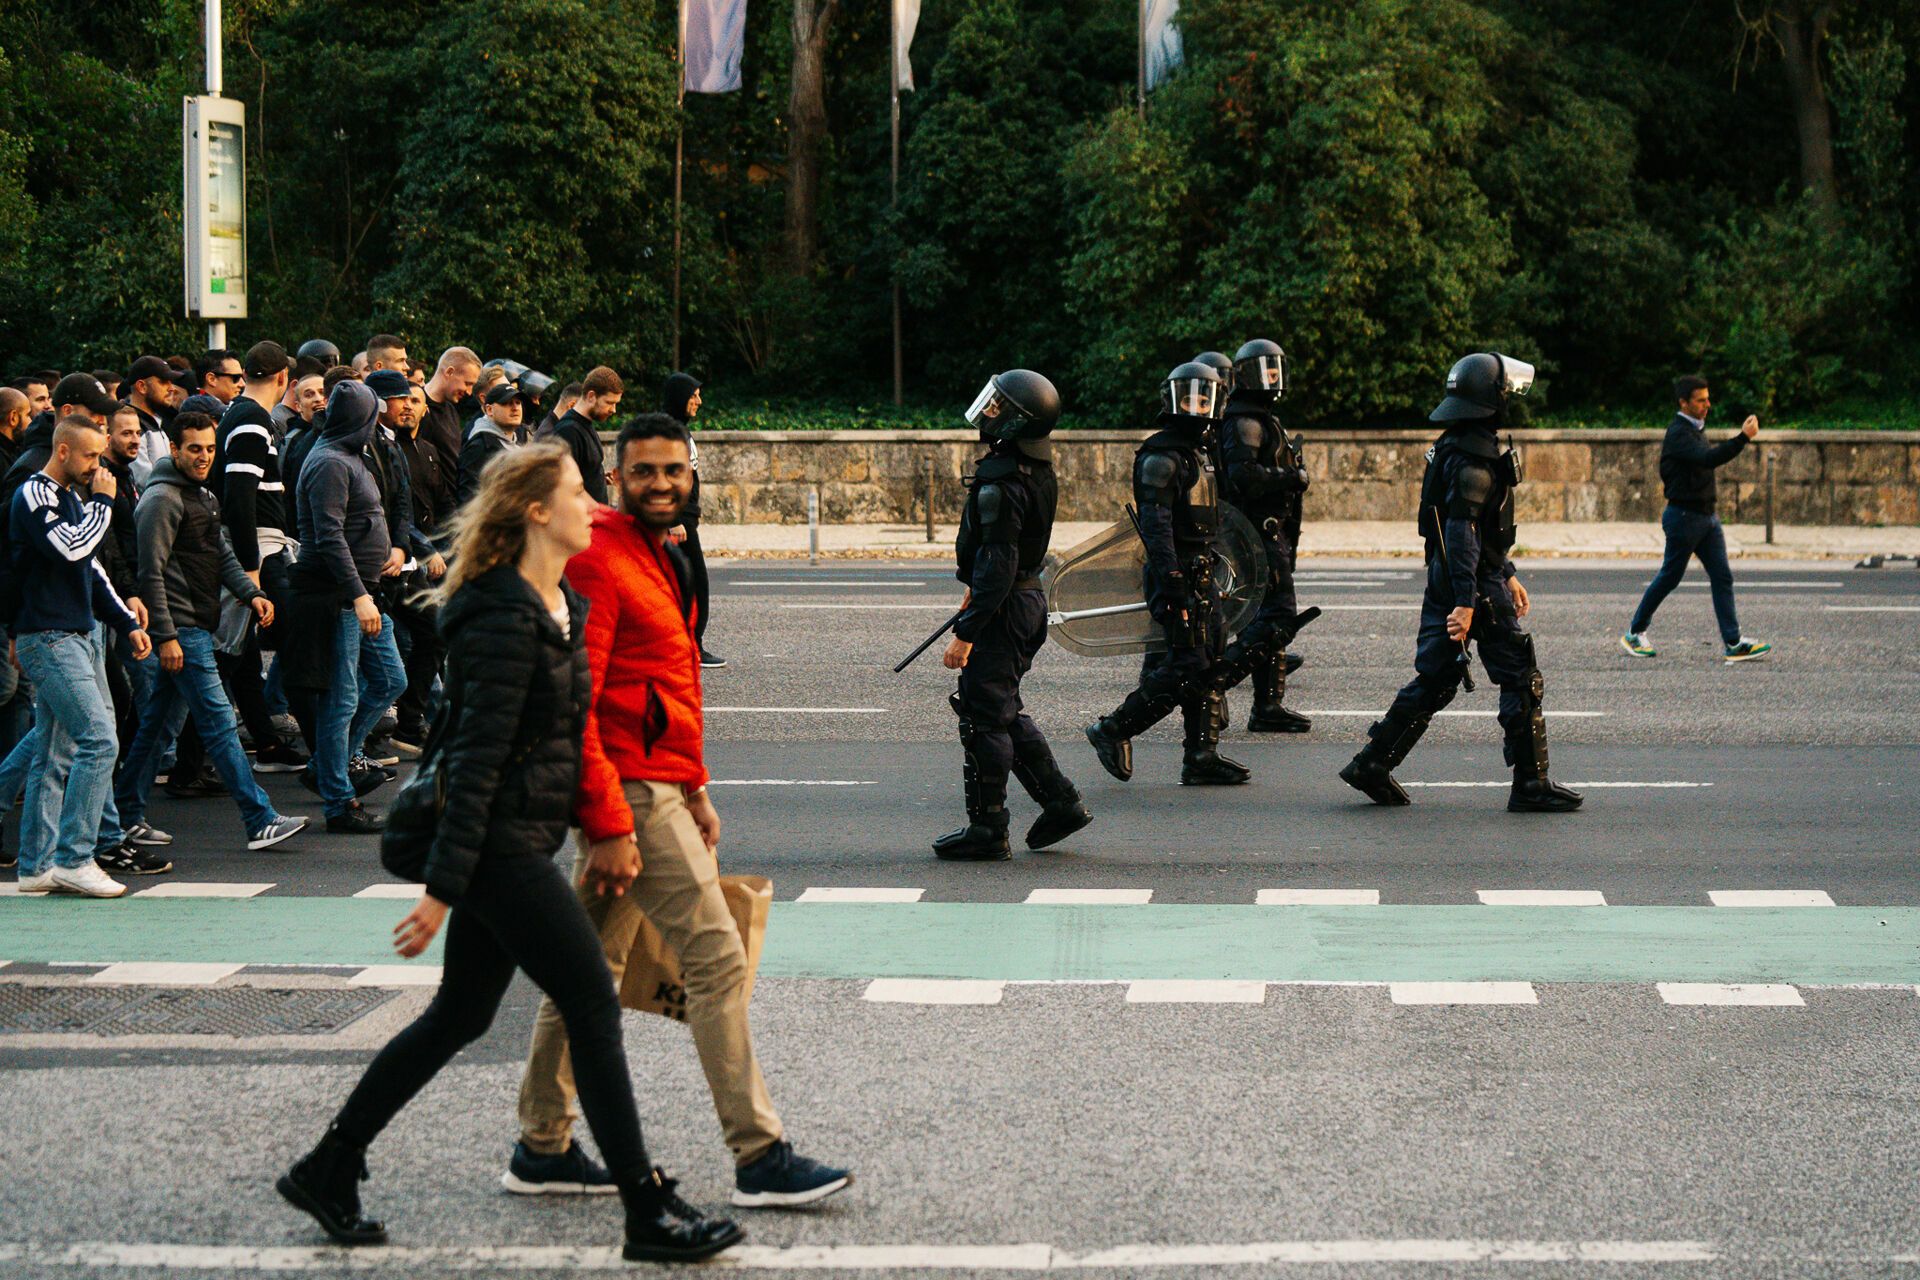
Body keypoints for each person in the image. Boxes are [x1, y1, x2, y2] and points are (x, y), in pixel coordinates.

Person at [277, 442, 742, 1263]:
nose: (589, 503)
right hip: (500, 850)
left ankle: (329, 1163)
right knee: (593, 1006)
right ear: (536, 511)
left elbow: (565, 734)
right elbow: (474, 764)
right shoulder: (498, 616)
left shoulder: (556, 602)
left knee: (460, 1014)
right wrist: (443, 892)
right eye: (574, 492)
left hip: (526, 835)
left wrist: (605, 820)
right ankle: (645, 1213)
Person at [509, 413, 851, 1209]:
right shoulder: (599, 558)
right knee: (716, 960)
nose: (661, 483)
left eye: (674, 470)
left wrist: (695, 786)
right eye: (644, 471)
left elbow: (666, 683)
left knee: (581, 973)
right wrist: (608, 822)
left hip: (657, 784)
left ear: (691, 475)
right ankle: (759, 1155)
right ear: (617, 477)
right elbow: (579, 700)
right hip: (627, 792)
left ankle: (541, 1145)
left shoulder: (655, 552)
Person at [1339, 352, 1583, 814]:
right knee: (1519, 676)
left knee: (1437, 677)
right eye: (1505, 389)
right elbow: (1462, 532)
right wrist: (1469, 601)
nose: (1511, 396)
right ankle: (1532, 785)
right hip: (1470, 583)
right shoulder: (1474, 457)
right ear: (1489, 397)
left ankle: (1371, 764)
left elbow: (1475, 530)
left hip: (1450, 577)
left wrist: (1506, 573)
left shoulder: (1455, 444)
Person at [116, 411, 307, 853]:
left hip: (197, 626)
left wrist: (249, 593)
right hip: (183, 632)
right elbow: (151, 575)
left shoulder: (199, 492)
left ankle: (124, 815)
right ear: (175, 450)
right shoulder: (162, 499)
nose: (204, 457)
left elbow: (219, 553)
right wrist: (165, 636)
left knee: (157, 729)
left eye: (209, 448)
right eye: (194, 449)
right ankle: (259, 819)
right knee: (220, 723)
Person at [934, 370, 1090, 861]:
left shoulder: (1001, 480)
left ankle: (988, 828)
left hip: (1005, 606)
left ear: (1019, 420)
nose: (989, 411)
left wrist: (966, 632)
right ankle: (1061, 803)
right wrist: (973, 599)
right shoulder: (1034, 468)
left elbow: (998, 564)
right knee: (1000, 709)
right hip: (1023, 600)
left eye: (999, 406)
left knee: (983, 716)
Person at [1085, 362, 1249, 786]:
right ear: (1171, 399)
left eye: (1204, 396)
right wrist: (1174, 582)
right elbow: (1157, 530)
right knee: (1185, 665)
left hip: (1203, 571)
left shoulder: (1200, 452)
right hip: (1176, 574)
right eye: (1189, 396)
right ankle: (1113, 730)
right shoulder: (1160, 457)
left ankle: (1201, 756)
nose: (1197, 405)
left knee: (1210, 661)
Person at [9, 416, 153, 898]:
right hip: (49, 635)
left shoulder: (72, 499)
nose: (99, 466)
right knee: (99, 740)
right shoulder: (36, 495)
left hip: (67, 632)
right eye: (92, 456)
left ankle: (36, 866)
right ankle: (75, 857)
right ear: (65, 451)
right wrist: (104, 504)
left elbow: (92, 572)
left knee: (53, 753)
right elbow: (73, 550)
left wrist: (126, 622)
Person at [292, 380, 407, 834]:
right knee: (342, 700)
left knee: (389, 679)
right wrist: (358, 595)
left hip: (362, 593)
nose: (377, 422)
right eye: (371, 415)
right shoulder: (328, 463)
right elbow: (329, 535)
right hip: (339, 597)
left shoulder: (347, 455)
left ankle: (328, 765)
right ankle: (339, 801)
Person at [1621, 376, 1771, 663]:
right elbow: (1708, 459)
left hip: (1706, 518)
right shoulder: (1679, 433)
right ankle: (1635, 632)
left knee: (1722, 576)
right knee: (1670, 577)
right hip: (1684, 517)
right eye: (1700, 400)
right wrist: (1743, 437)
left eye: (1707, 398)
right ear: (1684, 403)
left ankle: (1733, 642)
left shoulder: (1695, 429)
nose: (1707, 404)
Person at [1210, 338, 1316, 733]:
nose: (1276, 376)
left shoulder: (1260, 415)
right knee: (1275, 618)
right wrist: (1292, 477)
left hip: (1271, 535)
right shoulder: (1245, 420)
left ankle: (1268, 706)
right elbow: (1244, 477)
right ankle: (1215, 684)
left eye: (1278, 368)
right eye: (1268, 369)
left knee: (1272, 617)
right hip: (1256, 538)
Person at [215, 341, 309, 772]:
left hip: (259, 546)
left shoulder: (245, 416)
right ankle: (324, 754)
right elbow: (238, 497)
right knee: (291, 634)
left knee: (241, 654)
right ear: (283, 379)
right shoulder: (252, 420)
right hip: (259, 549)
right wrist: (250, 566)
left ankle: (265, 742)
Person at [389, 381, 453, 753]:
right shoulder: (388, 448)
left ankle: (413, 721)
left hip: (430, 555)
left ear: (426, 409)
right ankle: (408, 722)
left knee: (430, 635)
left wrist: (451, 546)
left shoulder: (428, 450)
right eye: (405, 400)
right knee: (425, 634)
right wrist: (427, 551)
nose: (410, 406)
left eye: (417, 401)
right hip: (404, 554)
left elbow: (444, 504)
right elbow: (399, 514)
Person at [661, 372, 722, 668]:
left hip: (687, 520)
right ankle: (691, 646)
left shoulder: (680, 430)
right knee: (694, 583)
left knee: (685, 583)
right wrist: (674, 518)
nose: (699, 401)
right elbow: (669, 479)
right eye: (693, 395)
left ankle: (687, 644)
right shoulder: (670, 432)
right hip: (680, 522)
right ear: (679, 398)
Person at [552, 368, 622, 505]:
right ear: (591, 396)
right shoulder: (568, 431)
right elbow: (566, 486)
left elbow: (584, 471)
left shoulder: (585, 424)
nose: (613, 410)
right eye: (609, 403)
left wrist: (599, 477)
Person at [457, 381, 522, 509]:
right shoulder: (479, 447)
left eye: (518, 402)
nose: (515, 408)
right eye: (506, 403)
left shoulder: (517, 444)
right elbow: (468, 499)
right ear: (489, 410)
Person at [124, 355, 183, 484]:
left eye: (171, 382)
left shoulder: (155, 422)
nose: (171, 388)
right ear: (142, 386)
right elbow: (145, 481)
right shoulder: (132, 426)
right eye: (163, 382)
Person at [419, 347, 480, 462]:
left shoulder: (451, 411)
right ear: (449, 372)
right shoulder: (416, 406)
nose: (469, 392)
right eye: (467, 383)